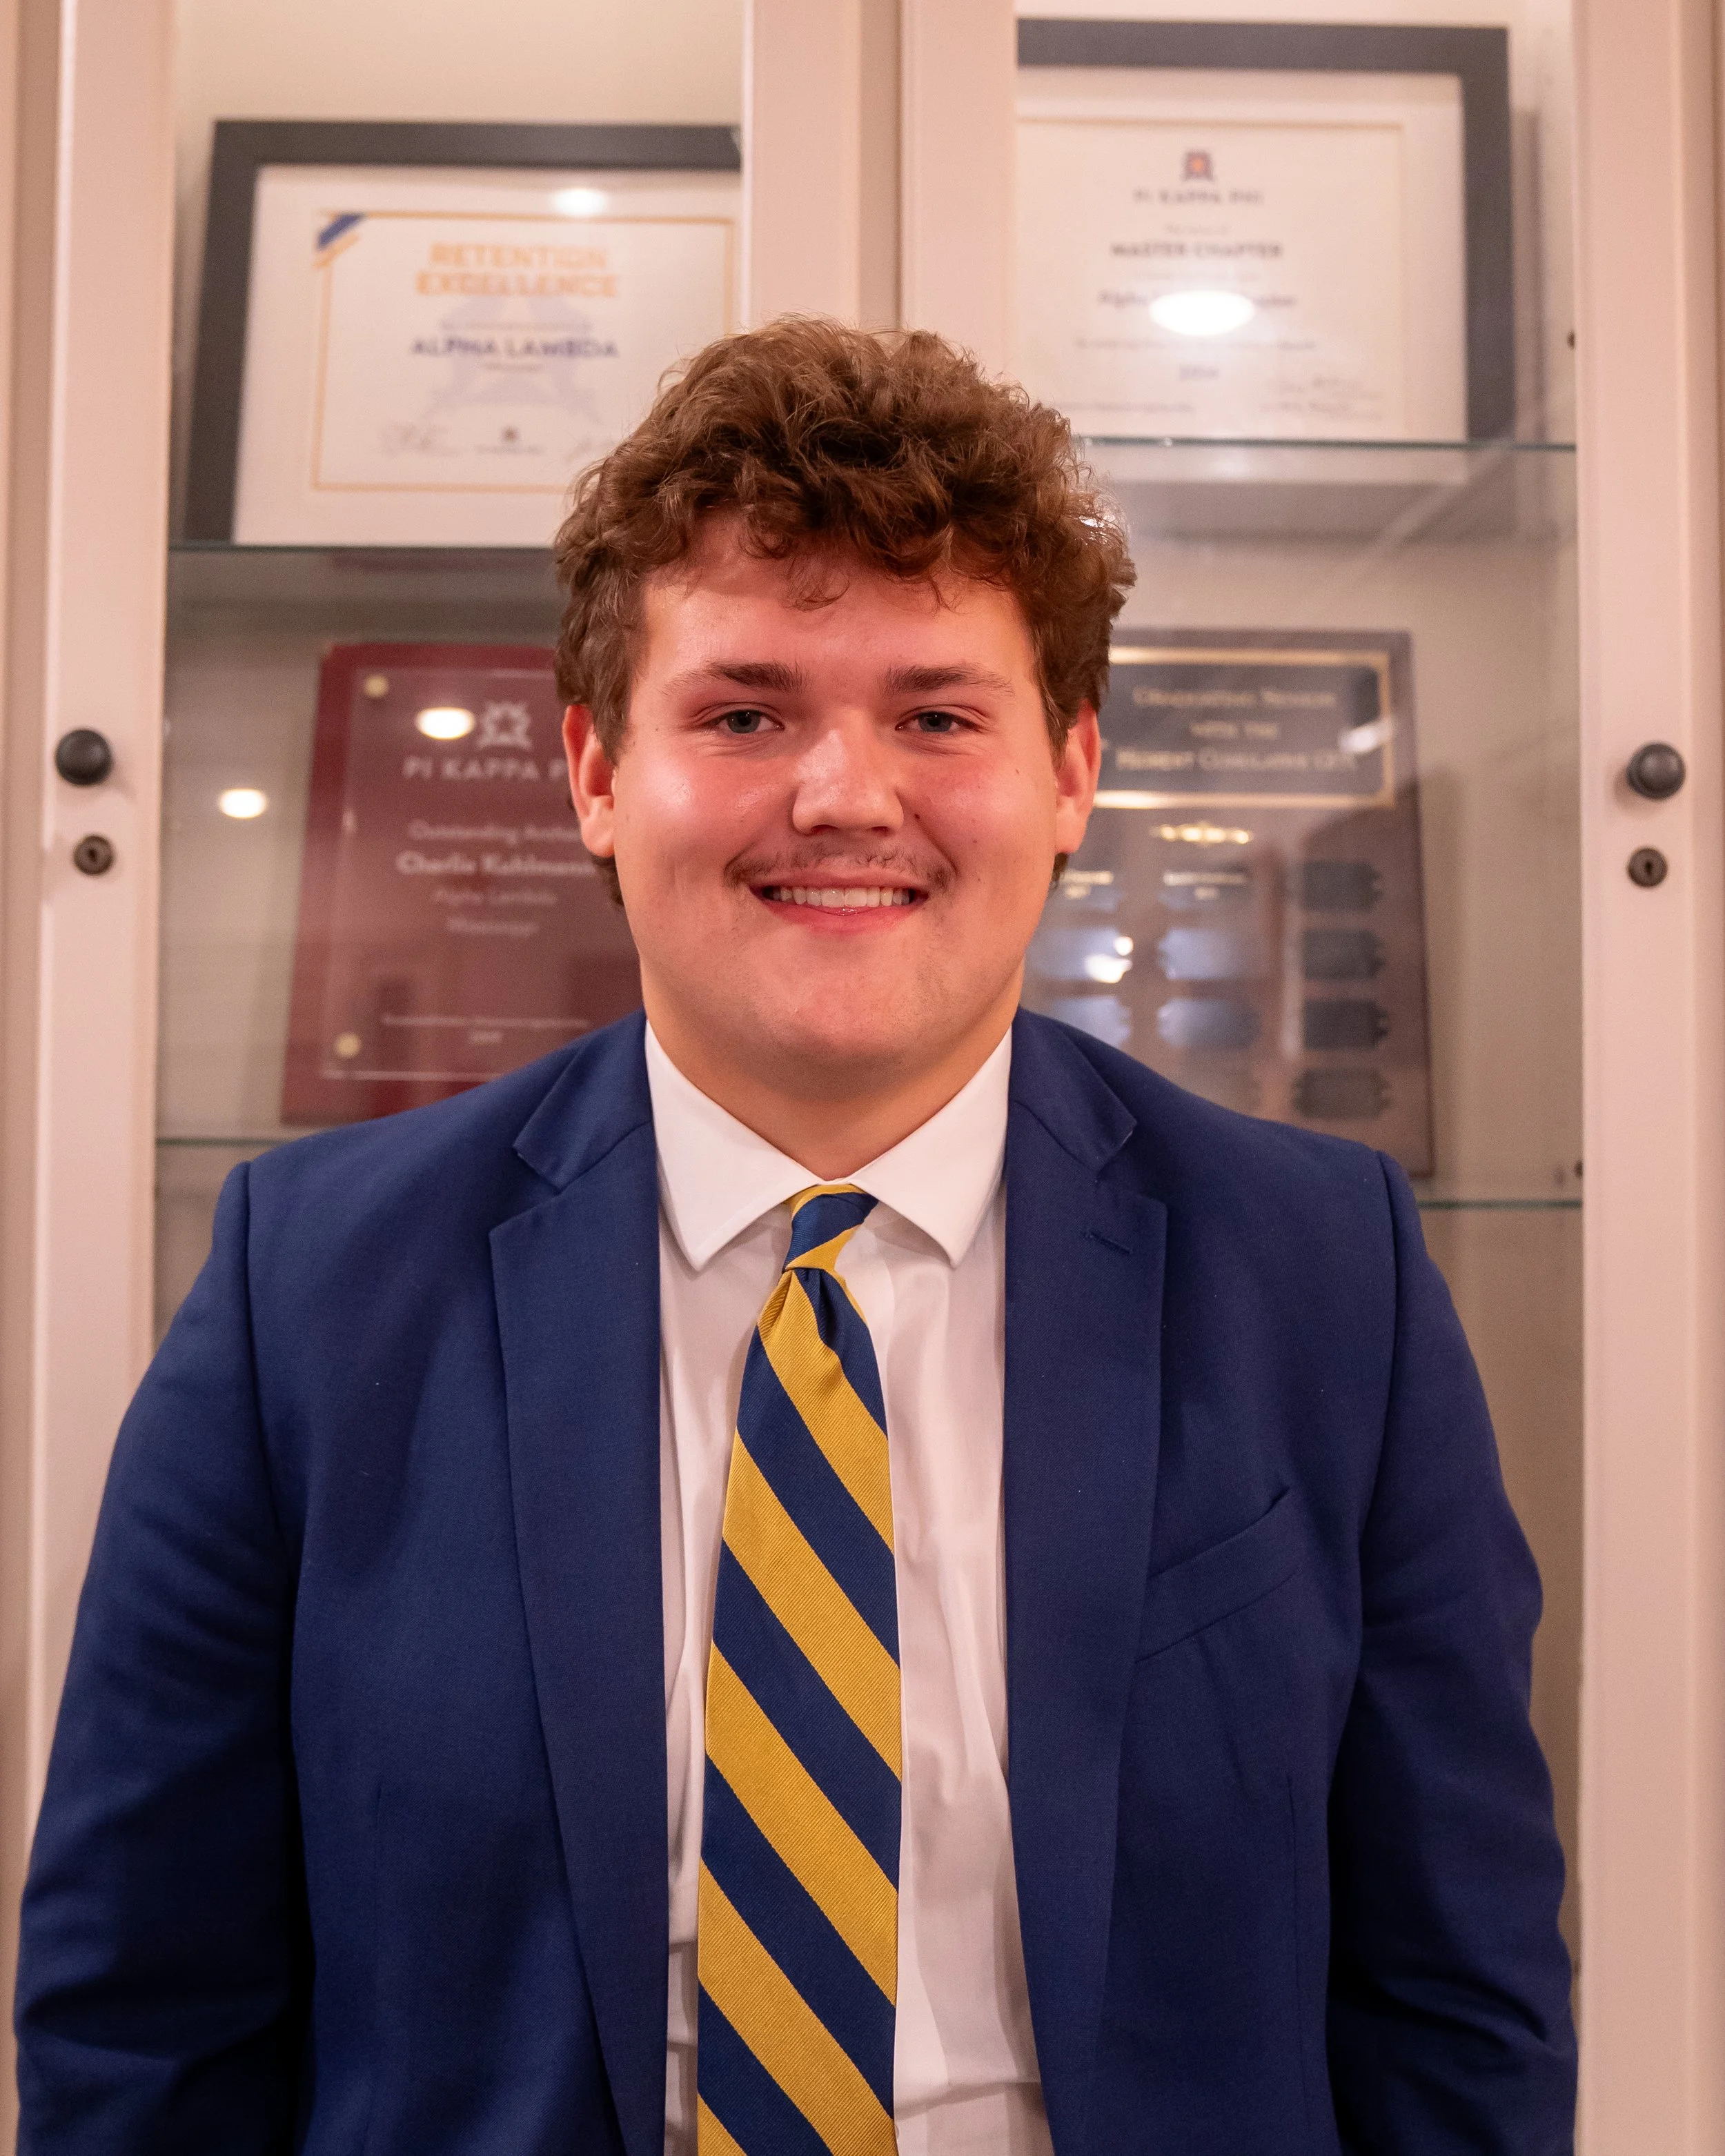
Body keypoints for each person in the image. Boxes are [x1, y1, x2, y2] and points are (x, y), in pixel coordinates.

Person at [14, 319, 1575, 2155]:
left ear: (1070, 769)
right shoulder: (313, 1284)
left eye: (936, 712)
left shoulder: (1322, 1273)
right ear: (593, 769)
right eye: (744, 711)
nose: (842, 794)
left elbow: (1453, 1987)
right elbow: (147, 2006)